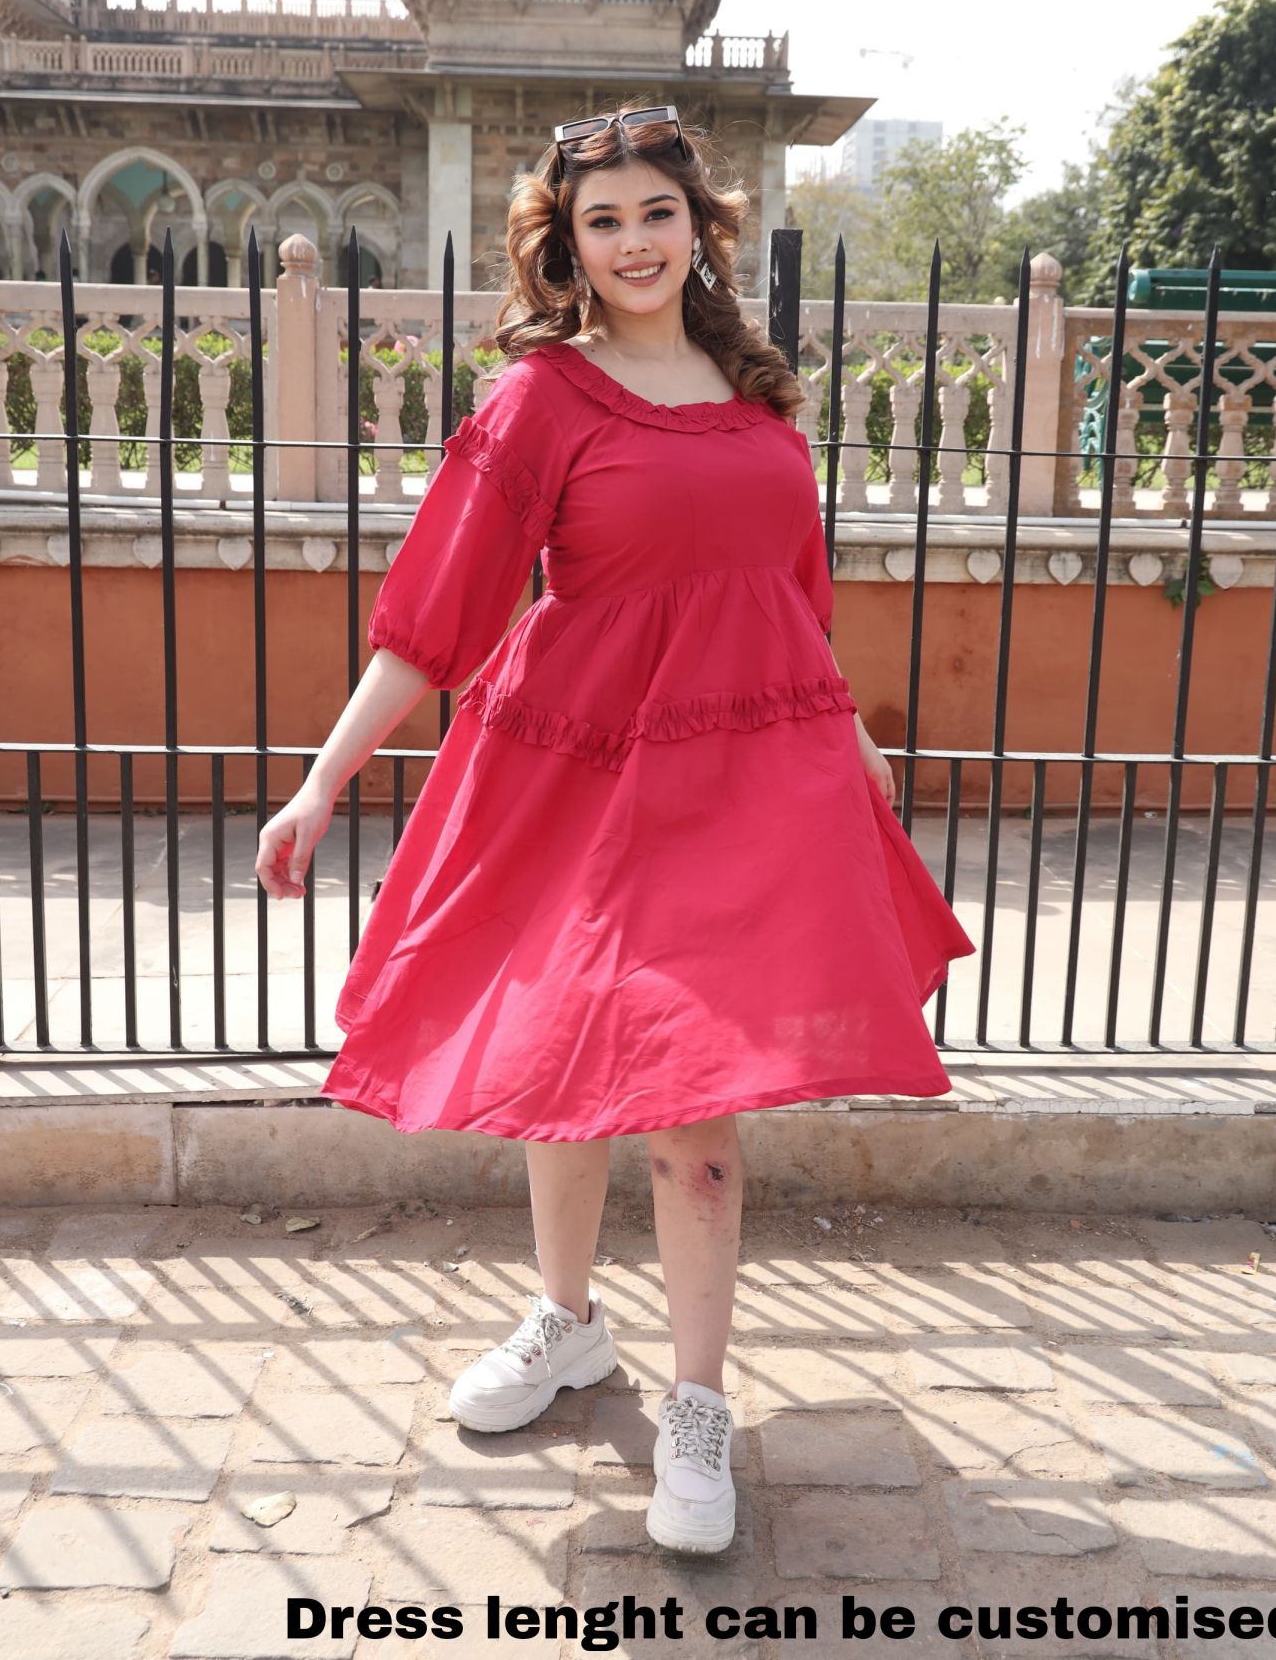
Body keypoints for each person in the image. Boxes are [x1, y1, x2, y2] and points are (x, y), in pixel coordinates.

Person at [254, 100, 975, 1556]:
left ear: (697, 228)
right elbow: (433, 615)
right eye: (603, 221)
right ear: (564, 246)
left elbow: (793, 591)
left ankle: (696, 1411)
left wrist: (844, 735)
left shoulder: (758, 391)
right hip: (574, 773)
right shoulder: (540, 399)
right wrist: (323, 777)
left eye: (656, 212)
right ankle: (568, 1323)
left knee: (691, 1111)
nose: (634, 241)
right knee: (559, 1070)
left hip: (741, 777)